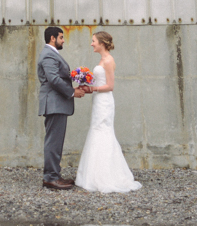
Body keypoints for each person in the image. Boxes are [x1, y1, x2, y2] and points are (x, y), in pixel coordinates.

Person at [74, 30, 143, 193]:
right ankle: (92, 175)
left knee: (103, 132)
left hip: (104, 102)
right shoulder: (101, 60)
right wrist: (87, 84)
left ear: (102, 43)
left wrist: (93, 88)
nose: (91, 44)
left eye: (93, 41)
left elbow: (110, 86)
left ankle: (107, 176)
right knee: (96, 131)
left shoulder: (109, 61)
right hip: (98, 101)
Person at [37, 26, 86, 190]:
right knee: (53, 142)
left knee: (56, 142)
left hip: (56, 103)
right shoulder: (48, 55)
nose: (63, 40)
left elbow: (58, 76)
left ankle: (54, 175)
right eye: (61, 37)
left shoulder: (51, 54)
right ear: (52, 38)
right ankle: (50, 178)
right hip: (54, 103)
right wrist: (72, 92)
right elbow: (53, 79)